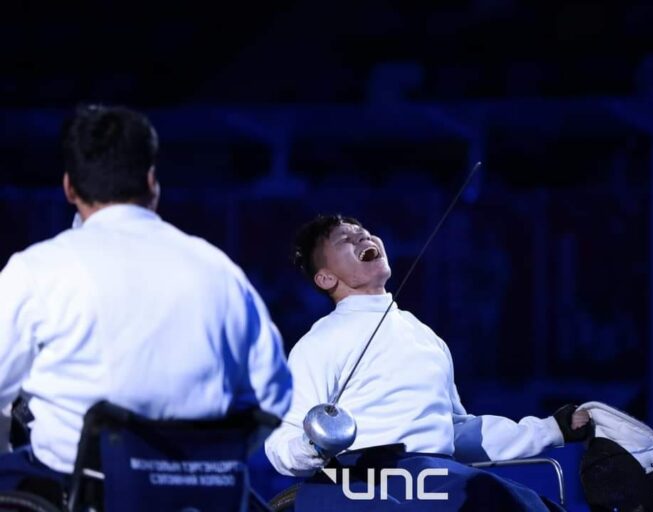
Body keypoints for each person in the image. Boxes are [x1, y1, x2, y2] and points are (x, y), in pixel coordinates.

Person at [0, 105, 292, 496]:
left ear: (69, 188)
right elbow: (273, 396)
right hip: (202, 494)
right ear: (152, 182)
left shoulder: (37, 270)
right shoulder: (219, 271)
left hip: (73, 493)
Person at [265, 214, 590, 511]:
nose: (363, 237)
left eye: (364, 232)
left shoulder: (425, 337)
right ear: (325, 278)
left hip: (435, 479)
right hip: (365, 482)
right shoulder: (318, 343)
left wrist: (551, 429)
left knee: (527, 505)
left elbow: (455, 433)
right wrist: (314, 446)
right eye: (345, 240)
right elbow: (282, 443)